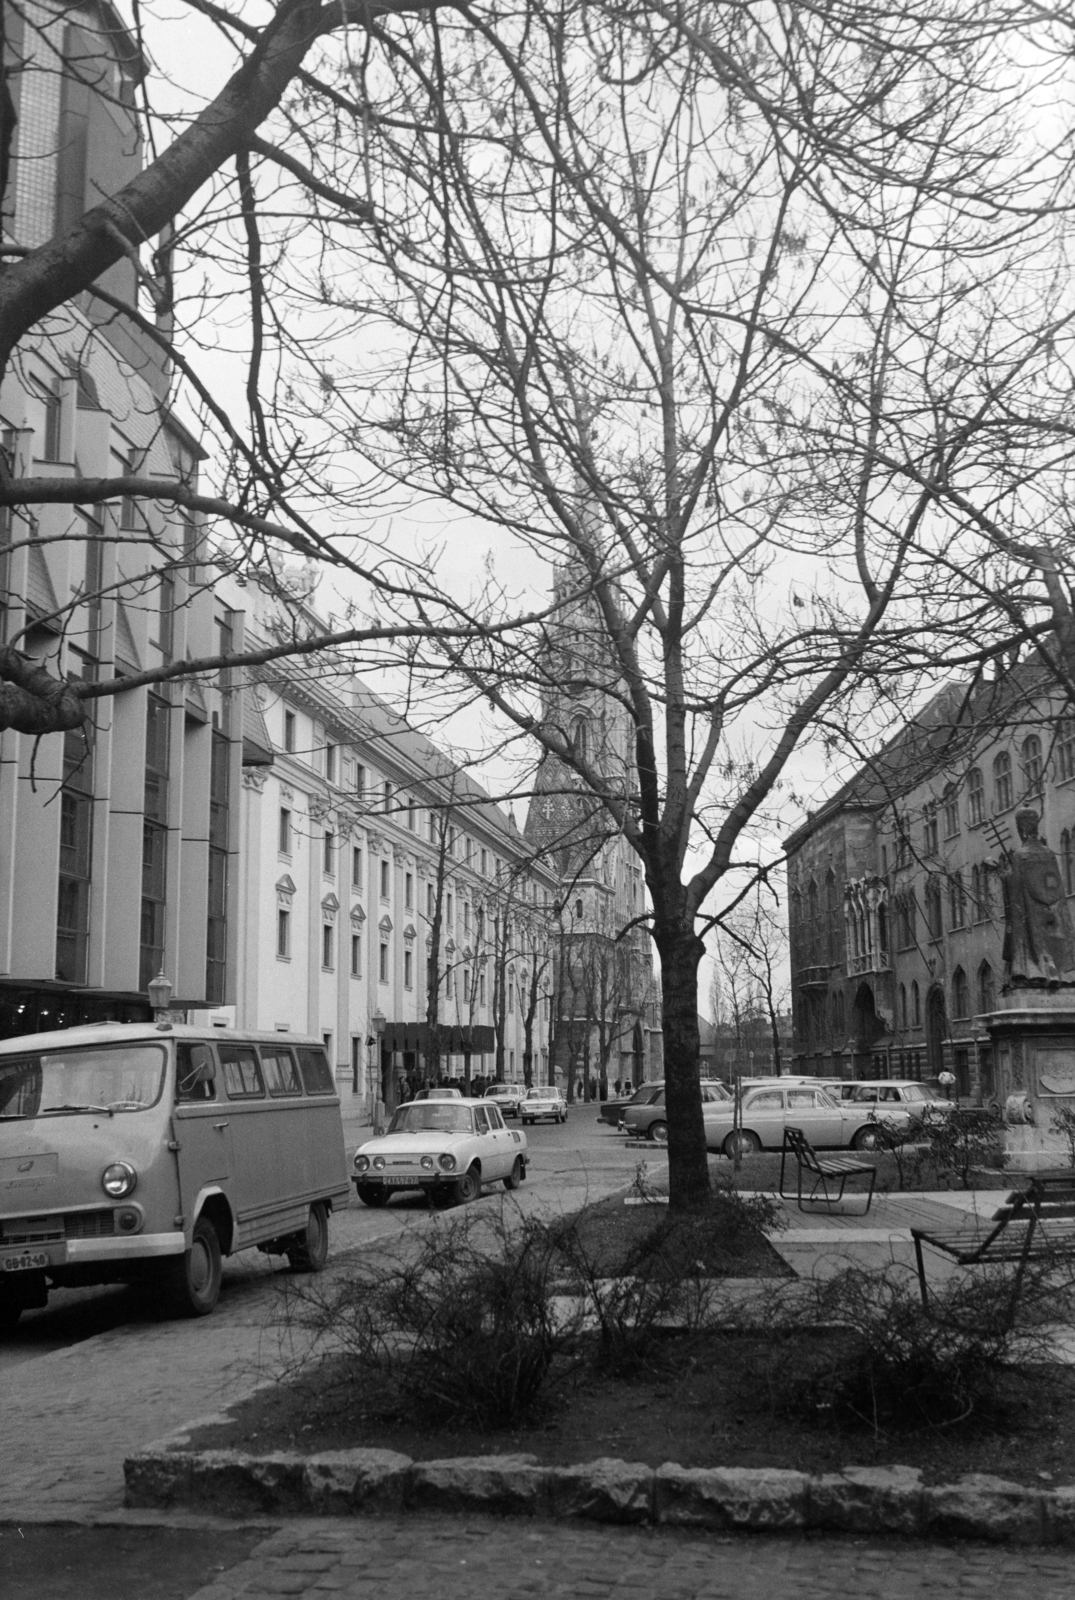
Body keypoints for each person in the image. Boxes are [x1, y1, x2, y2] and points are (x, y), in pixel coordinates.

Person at [995, 809, 1075, 988]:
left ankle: (1032, 972)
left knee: (1028, 940)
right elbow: (1052, 886)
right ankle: (1063, 974)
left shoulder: (1019, 855)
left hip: (1030, 915)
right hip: (1053, 911)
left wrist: (1002, 874)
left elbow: (1015, 891)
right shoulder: (1049, 853)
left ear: (1020, 828)